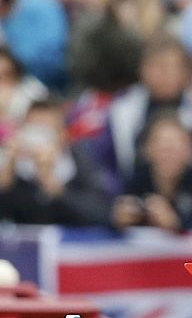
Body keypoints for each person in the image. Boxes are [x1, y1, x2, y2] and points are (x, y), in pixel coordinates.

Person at [83, 33, 192, 189]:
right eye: (157, 66)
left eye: (171, 67)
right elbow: (103, 162)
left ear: (185, 72)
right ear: (142, 69)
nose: (164, 75)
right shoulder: (122, 109)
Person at [0, 95, 113, 224]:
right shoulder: (14, 167)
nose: (38, 140)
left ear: (62, 134)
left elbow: (103, 213)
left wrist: (56, 187)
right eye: (33, 131)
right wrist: (7, 174)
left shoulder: (80, 162)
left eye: (45, 131)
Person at [110, 110, 192, 230]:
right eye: (162, 146)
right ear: (146, 149)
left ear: (191, 149)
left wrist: (176, 223)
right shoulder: (137, 179)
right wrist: (119, 219)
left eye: (176, 146)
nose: (169, 154)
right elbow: (113, 217)